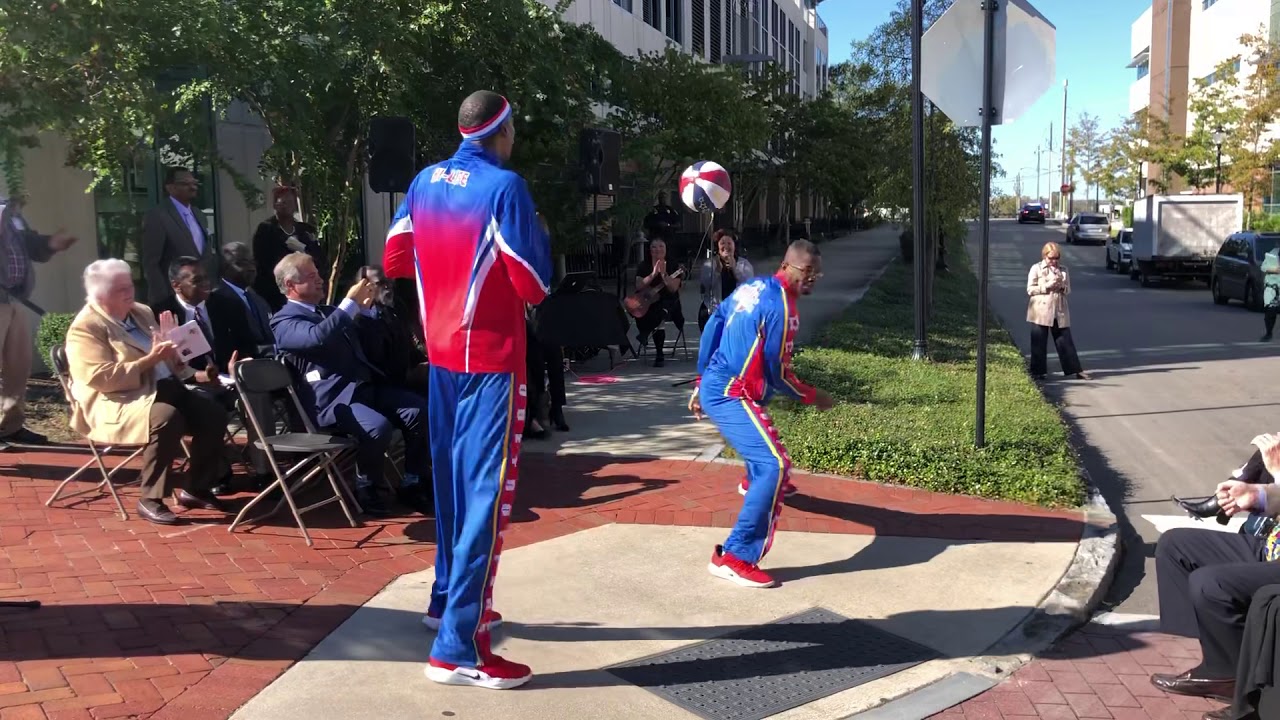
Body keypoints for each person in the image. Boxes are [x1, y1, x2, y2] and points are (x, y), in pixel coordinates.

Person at [383, 89, 552, 690]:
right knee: (485, 497)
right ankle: (460, 647)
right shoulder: (506, 187)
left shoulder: (424, 181)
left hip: (441, 356)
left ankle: (446, 600)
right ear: (502, 133)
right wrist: (537, 233)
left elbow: (395, 258)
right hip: (490, 361)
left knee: (453, 486)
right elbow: (533, 284)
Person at [688, 240, 834, 589]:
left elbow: (715, 323)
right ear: (788, 266)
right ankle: (735, 557)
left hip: (723, 387)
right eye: (808, 272)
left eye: (817, 274)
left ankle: (753, 484)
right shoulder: (782, 307)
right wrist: (814, 396)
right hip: (730, 394)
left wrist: (700, 378)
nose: (813, 279)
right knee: (775, 465)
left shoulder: (753, 286)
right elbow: (777, 374)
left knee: (764, 462)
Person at [65, 259, 231, 525]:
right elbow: (100, 378)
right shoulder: (86, 327)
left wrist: (188, 366)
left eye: (129, 284)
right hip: (118, 401)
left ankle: (196, 488)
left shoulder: (141, 311)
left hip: (163, 388)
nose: (128, 292)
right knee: (167, 418)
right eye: (119, 288)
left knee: (212, 413)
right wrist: (151, 359)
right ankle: (151, 498)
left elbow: (169, 361)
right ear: (99, 293)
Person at [270, 253, 433, 518]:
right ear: (291, 285)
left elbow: (365, 339)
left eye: (319, 274)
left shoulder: (327, 312)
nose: (321, 281)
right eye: (312, 277)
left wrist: (367, 310)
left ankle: (413, 480)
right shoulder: (284, 321)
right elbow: (317, 338)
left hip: (363, 389)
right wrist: (350, 304)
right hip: (332, 401)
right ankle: (366, 485)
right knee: (377, 427)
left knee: (417, 410)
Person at [1151, 432, 1280, 705]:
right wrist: (1253, 494)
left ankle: (1239, 686)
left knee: (1211, 584)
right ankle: (1219, 659)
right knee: (1175, 546)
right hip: (1271, 547)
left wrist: (1277, 473)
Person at [0, 194, 77, 445]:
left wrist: (51, 244)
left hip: (14, 299)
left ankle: (10, 427)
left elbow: (29, 246)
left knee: (18, 369)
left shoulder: (11, 212)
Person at [353, 265, 429, 396]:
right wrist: (411, 374)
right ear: (364, 287)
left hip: (407, 376)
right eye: (381, 283)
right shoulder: (357, 319)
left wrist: (425, 363)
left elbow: (407, 346)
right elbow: (375, 363)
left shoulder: (394, 309)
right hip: (384, 386)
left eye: (389, 281)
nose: (388, 286)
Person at [142, 168, 213, 305]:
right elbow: (151, 263)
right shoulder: (157, 216)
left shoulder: (199, 215)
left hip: (201, 298)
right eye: (185, 183)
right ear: (170, 187)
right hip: (174, 298)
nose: (192, 187)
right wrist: (162, 299)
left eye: (194, 182)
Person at [253, 186, 327, 312]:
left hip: (305, 288)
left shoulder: (304, 230)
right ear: (275, 205)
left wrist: (303, 251)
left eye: (290, 202)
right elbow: (263, 262)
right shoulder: (266, 229)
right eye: (282, 202)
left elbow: (319, 258)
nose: (286, 206)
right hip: (275, 291)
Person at [1026, 242, 1090, 380]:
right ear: (1045, 256)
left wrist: (1062, 287)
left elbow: (1068, 289)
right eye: (1051, 258)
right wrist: (1047, 287)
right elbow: (1030, 289)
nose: (1054, 261)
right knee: (1039, 341)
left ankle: (1075, 370)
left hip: (1059, 309)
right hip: (1040, 310)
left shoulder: (1063, 269)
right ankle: (1038, 371)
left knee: (1065, 340)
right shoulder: (1036, 268)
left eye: (1056, 258)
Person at [634, 237, 685, 367]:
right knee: (644, 310)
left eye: (661, 246)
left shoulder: (674, 265)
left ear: (666, 249)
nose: (658, 249)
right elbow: (638, 286)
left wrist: (663, 275)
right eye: (654, 247)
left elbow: (673, 289)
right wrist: (652, 274)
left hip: (670, 302)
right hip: (649, 303)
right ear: (650, 250)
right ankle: (648, 337)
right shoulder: (644, 265)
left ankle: (658, 352)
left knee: (661, 310)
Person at [698, 229, 754, 331]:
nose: (726, 247)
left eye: (729, 243)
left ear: (734, 245)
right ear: (717, 247)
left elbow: (749, 284)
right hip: (715, 310)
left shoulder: (744, 264)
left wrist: (734, 268)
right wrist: (716, 272)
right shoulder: (710, 264)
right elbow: (705, 284)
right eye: (722, 243)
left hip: (737, 311)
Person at [1261, 245, 1280, 342]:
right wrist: (1274, 270)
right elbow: (1263, 267)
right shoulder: (1273, 253)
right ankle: (1268, 333)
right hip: (1272, 286)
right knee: (1270, 312)